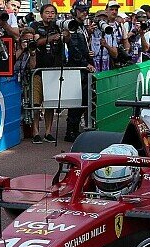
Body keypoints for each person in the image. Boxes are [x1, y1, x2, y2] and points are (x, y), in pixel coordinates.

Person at [29, 3, 63, 144]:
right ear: (41, 14)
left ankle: (48, 132)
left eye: (52, 12)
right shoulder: (35, 26)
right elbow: (36, 43)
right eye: (47, 12)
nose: (50, 15)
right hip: (38, 69)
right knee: (36, 103)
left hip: (54, 70)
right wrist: (52, 38)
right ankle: (36, 132)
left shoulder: (59, 26)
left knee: (50, 103)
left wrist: (64, 35)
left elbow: (65, 40)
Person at [64, 1, 93, 142]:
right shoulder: (72, 25)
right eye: (81, 10)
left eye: (86, 10)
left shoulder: (83, 27)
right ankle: (71, 132)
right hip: (77, 69)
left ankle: (74, 131)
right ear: (74, 11)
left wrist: (89, 55)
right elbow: (74, 49)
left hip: (83, 67)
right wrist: (85, 63)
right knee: (77, 101)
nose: (84, 13)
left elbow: (82, 47)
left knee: (84, 100)